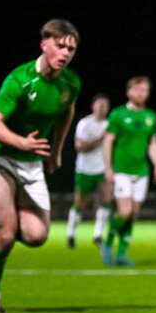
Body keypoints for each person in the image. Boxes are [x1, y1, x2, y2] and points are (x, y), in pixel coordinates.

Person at [0, 19, 81, 313]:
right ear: (44, 45)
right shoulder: (20, 80)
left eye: (71, 48)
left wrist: (57, 150)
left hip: (31, 162)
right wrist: (20, 142)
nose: (65, 53)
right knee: (7, 233)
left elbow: (67, 111)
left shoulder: (70, 83)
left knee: (37, 236)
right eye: (60, 46)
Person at [101, 76, 156, 266]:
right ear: (129, 92)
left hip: (142, 172)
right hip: (122, 171)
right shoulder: (118, 114)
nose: (141, 93)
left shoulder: (151, 116)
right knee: (125, 212)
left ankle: (121, 254)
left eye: (144, 90)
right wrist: (108, 168)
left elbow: (153, 143)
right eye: (137, 90)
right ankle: (108, 240)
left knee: (133, 214)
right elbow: (108, 141)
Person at [66, 93, 113, 249]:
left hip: (103, 169)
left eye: (105, 105)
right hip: (84, 169)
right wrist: (100, 139)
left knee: (106, 201)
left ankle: (98, 235)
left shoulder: (110, 124)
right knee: (80, 203)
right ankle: (71, 234)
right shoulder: (84, 123)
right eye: (99, 104)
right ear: (93, 106)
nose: (102, 108)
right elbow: (80, 146)